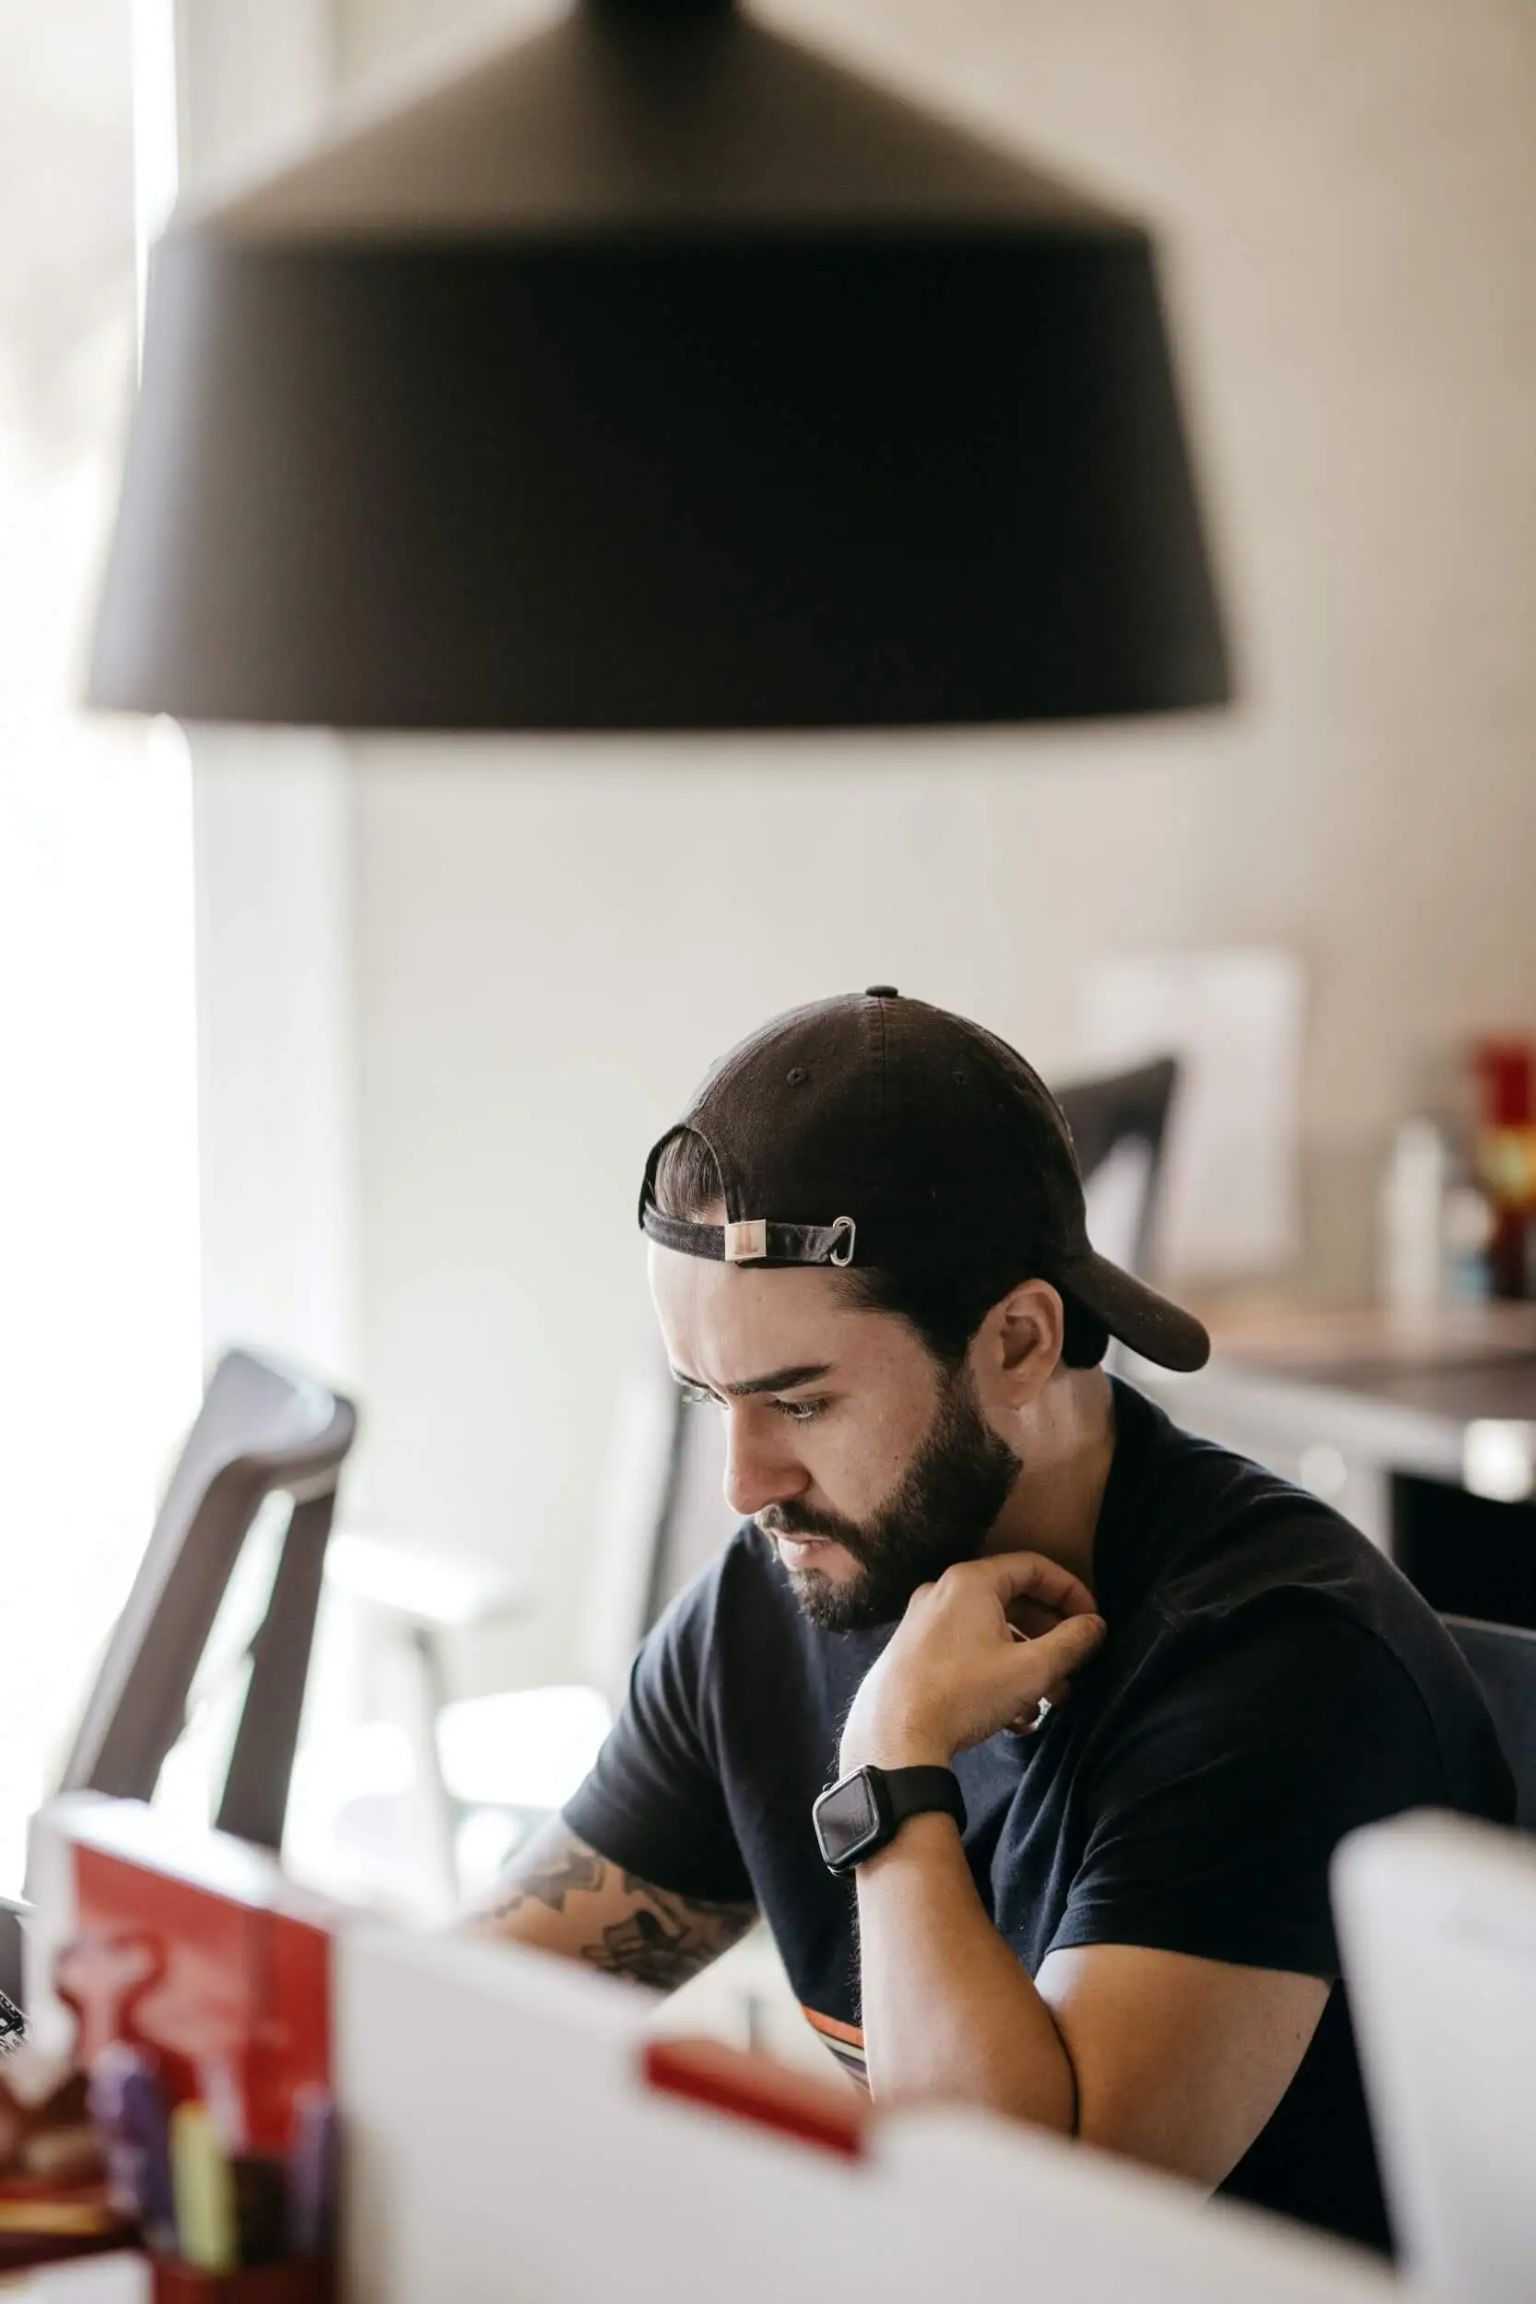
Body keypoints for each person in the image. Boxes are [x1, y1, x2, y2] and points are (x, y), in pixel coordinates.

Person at [471, 988, 1513, 2254]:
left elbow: (1020, 2246)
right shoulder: (782, 1592)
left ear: (1019, 1342)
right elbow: (467, 2011)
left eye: (798, 1404)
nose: (745, 1487)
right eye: (711, 1400)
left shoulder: (1275, 1662)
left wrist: (891, 1774)